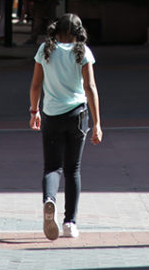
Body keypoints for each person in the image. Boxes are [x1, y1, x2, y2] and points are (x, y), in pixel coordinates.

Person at [29, 13, 102, 240]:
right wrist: (98, 122)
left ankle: (49, 199)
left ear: (56, 29)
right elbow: (90, 87)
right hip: (78, 116)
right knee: (73, 170)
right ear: (78, 32)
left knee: (52, 167)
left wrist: (34, 111)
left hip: (51, 115)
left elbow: (35, 85)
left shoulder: (45, 50)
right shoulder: (83, 52)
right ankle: (70, 222)